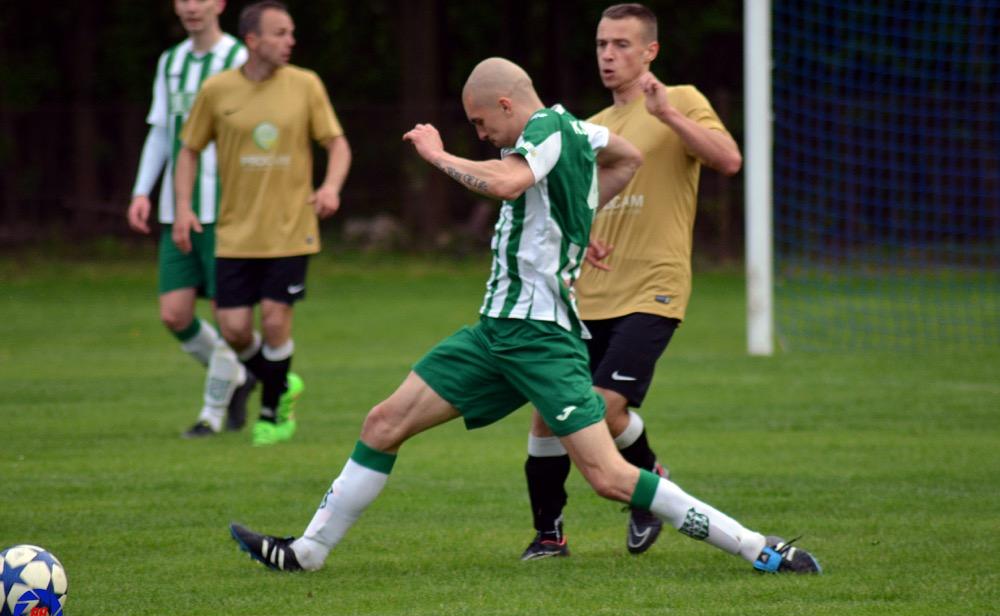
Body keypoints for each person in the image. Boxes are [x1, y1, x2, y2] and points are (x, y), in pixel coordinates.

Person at [228, 57, 820, 576]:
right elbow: (627, 156)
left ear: (507, 105)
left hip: (541, 339)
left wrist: (437, 154)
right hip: (494, 333)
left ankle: (757, 547)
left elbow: (510, 183)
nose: (483, 135)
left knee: (610, 478)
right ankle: (308, 551)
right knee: (383, 423)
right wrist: (577, 216)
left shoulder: (546, 129)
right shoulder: (578, 130)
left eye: (482, 122)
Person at [519, 2, 746, 561]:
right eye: (602, 44)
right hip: (588, 295)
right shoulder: (591, 125)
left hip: (653, 288)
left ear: (650, 52)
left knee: (600, 407)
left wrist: (668, 115)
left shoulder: (681, 99)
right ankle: (550, 536)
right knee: (548, 413)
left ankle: (647, 488)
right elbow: (577, 203)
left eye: (621, 44)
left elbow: (729, 160)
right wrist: (582, 236)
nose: (608, 55)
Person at [173, 0, 352, 446]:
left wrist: (330, 187)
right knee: (233, 328)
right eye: (280, 33)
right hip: (235, 233)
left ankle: (273, 416)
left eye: (291, 32)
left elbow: (337, 145)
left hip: (291, 229)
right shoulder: (217, 90)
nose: (290, 41)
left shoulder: (305, 84)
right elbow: (188, 150)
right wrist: (182, 207)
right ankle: (281, 380)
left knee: (274, 321)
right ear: (252, 40)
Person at [127, 0, 256, 439]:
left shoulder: (238, 57)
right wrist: (142, 190)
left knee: (228, 317)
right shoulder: (171, 61)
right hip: (176, 208)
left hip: (226, 209)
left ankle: (211, 415)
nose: (191, 7)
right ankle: (243, 372)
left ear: (219, 4)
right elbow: (162, 130)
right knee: (174, 314)